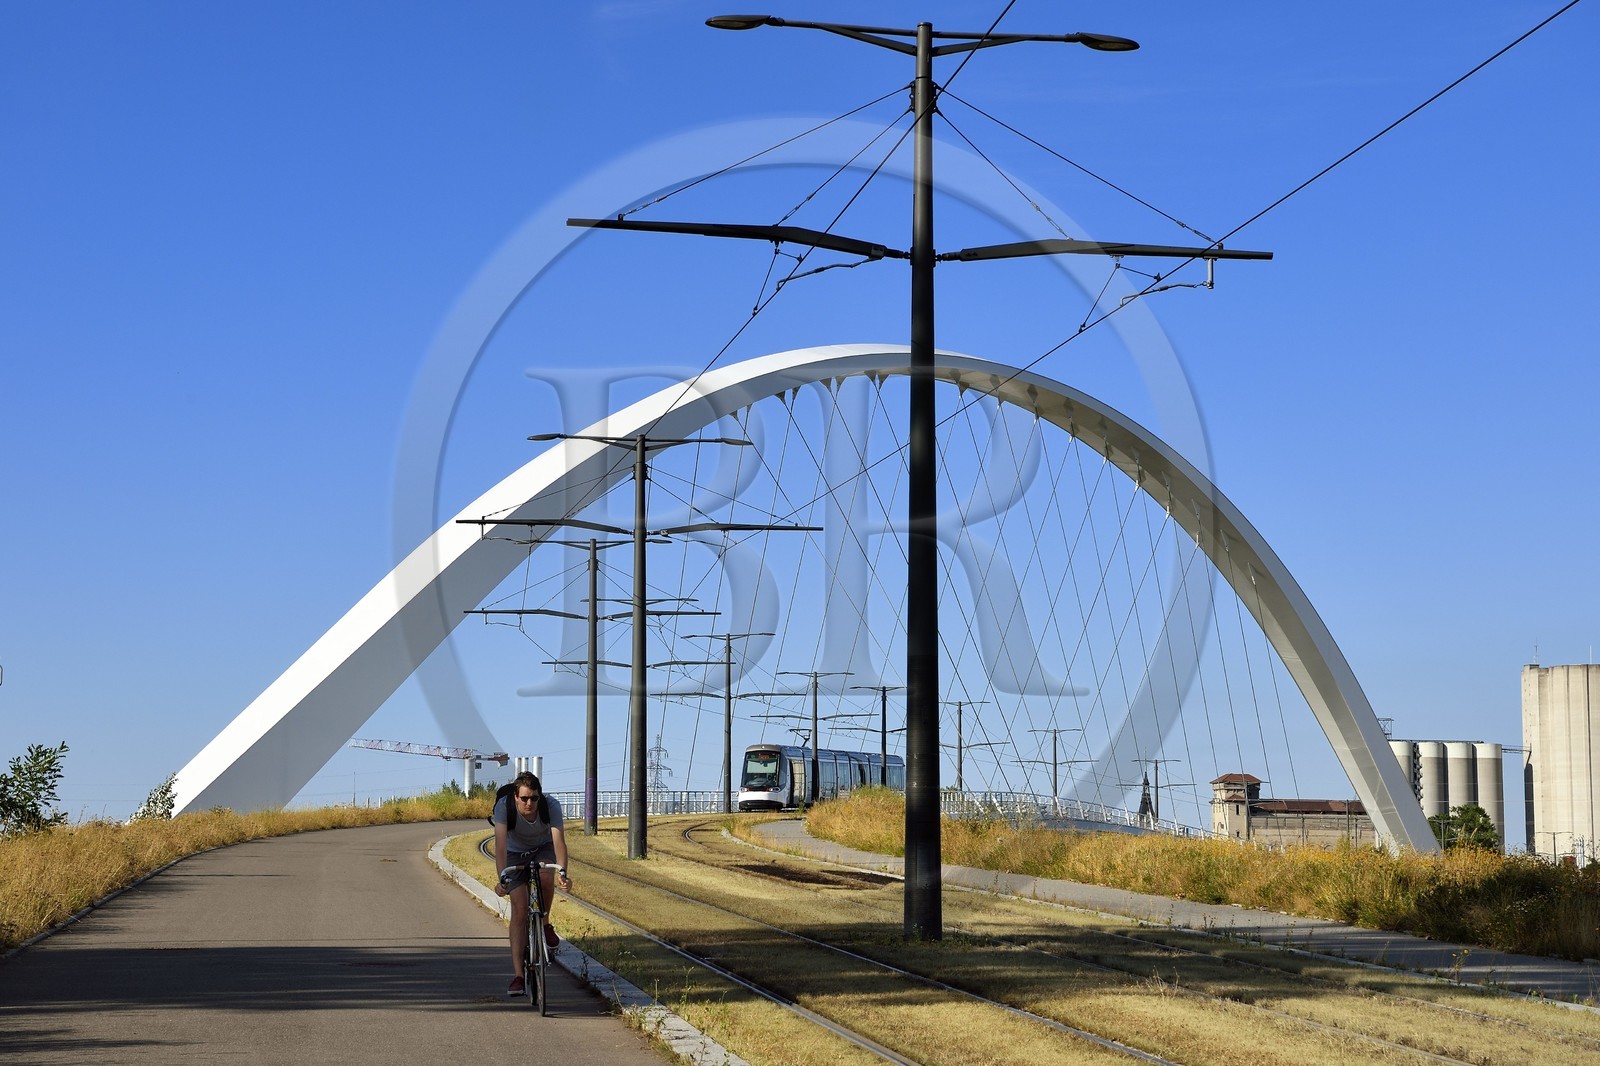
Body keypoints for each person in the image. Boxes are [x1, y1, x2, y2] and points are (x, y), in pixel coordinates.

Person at [492, 771, 572, 996]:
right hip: (514, 853)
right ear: (516, 797)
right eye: (524, 798)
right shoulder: (503, 807)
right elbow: (499, 847)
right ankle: (518, 976)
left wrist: (563, 872)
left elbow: (559, 841)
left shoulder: (551, 806)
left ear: (540, 796)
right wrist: (502, 878)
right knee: (519, 909)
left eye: (534, 798)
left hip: (542, 848)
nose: (530, 803)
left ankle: (545, 924)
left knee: (546, 876)